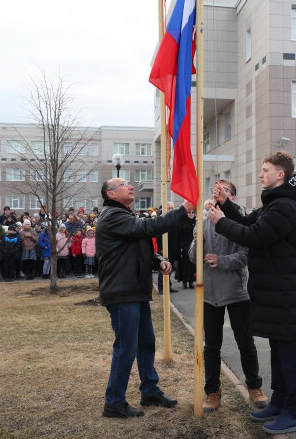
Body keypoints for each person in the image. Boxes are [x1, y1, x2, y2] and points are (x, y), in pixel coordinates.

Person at [208, 152, 296, 435]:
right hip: (276, 290)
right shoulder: (273, 204)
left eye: (266, 170)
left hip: (285, 292)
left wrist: (219, 221)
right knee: (279, 351)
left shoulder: (284, 208)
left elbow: (253, 236)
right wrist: (226, 206)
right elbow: (248, 220)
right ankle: (280, 401)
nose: (261, 174)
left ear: (281, 175)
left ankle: (295, 411)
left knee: (289, 353)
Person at [96, 177, 195, 419]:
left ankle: (150, 391)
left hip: (135, 290)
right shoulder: (112, 216)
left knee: (146, 343)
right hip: (122, 293)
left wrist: (158, 260)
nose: (130, 186)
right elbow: (146, 229)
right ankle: (114, 402)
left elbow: (138, 245)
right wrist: (182, 211)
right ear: (111, 194)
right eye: (123, 184)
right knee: (126, 348)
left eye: (130, 182)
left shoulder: (125, 216)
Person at [190, 178, 268, 412]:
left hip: (237, 291)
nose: (217, 197)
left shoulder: (242, 221)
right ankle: (212, 391)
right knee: (211, 346)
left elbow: (247, 255)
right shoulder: (203, 220)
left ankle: (254, 387)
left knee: (245, 342)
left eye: (222, 192)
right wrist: (198, 245)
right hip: (210, 293)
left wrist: (222, 261)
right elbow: (194, 258)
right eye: (214, 193)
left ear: (232, 197)